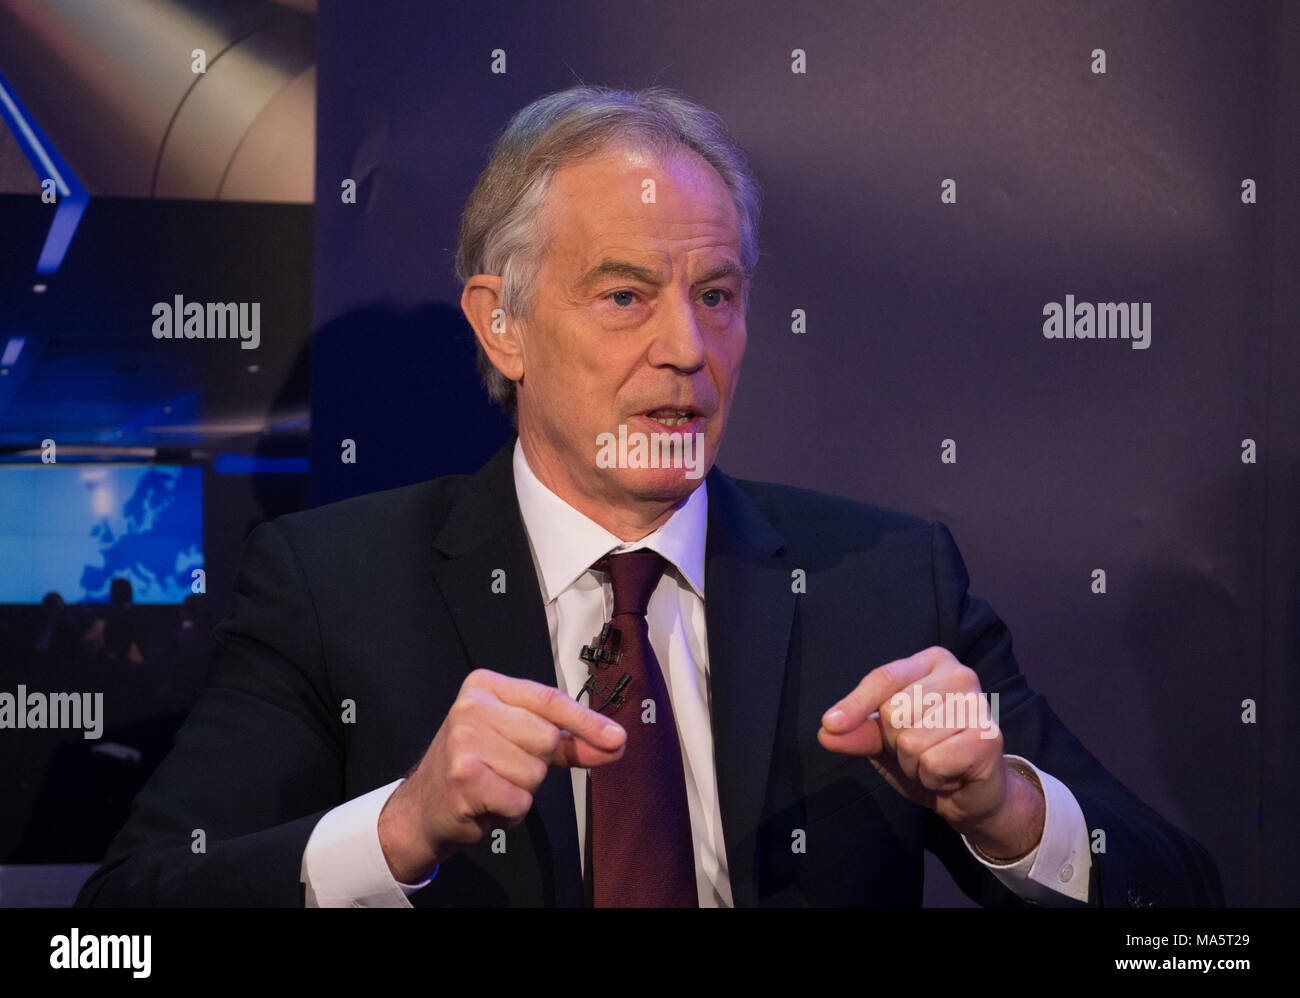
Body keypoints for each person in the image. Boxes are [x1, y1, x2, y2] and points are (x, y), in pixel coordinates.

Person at [77, 86, 1222, 908]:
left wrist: (1006, 809)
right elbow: (120, 926)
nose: (689, 347)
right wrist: (399, 825)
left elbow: (1189, 918)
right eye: (625, 295)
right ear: (502, 323)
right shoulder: (335, 586)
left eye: (717, 294)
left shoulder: (886, 581)